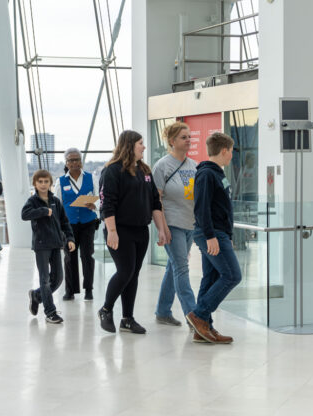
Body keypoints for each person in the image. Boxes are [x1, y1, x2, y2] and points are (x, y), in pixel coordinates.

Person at [98, 130, 170, 334]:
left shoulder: (144, 171)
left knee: (133, 274)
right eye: (140, 143)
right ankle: (106, 309)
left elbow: (155, 202)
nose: (144, 147)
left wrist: (161, 229)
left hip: (141, 231)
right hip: (120, 230)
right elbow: (107, 204)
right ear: (129, 145)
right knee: (125, 271)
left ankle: (127, 319)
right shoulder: (112, 171)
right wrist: (112, 231)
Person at [186, 132, 240, 344]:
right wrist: (211, 236)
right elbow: (201, 209)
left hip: (219, 233)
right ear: (224, 150)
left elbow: (223, 207)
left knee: (211, 277)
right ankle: (199, 315)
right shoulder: (207, 174)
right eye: (231, 151)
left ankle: (203, 328)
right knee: (232, 275)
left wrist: (228, 235)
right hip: (211, 233)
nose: (232, 156)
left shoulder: (217, 173)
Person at [152, 123, 199, 326]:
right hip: (172, 224)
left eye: (189, 137)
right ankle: (194, 316)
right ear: (172, 141)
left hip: (190, 224)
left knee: (173, 267)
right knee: (181, 268)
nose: (188, 140)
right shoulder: (162, 166)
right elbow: (156, 200)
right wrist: (162, 228)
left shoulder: (194, 165)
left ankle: (162, 311)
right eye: (183, 137)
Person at [23, 169, 75, 324]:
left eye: (46, 182)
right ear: (35, 184)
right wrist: (43, 211)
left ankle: (37, 296)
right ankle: (50, 312)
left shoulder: (56, 201)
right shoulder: (32, 201)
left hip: (56, 244)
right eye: (40, 182)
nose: (43, 184)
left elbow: (65, 222)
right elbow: (24, 215)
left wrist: (70, 238)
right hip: (41, 245)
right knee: (45, 279)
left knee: (58, 279)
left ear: (51, 184)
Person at [59, 148, 98, 301]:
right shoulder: (60, 181)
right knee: (69, 257)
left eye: (77, 160)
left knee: (87, 255)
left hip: (88, 222)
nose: (74, 163)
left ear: (81, 161)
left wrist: (95, 205)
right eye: (71, 160)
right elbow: (59, 204)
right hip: (69, 225)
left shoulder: (91, 178)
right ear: (66, 163)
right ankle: (70, 290)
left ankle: (89, 289)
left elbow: (99, 198)